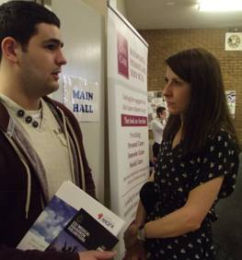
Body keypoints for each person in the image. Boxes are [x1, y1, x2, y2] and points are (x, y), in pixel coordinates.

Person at [0, 1, 115, 260]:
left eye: (61, 47)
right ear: (11, 50)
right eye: (50, 47)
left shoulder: (64, 118)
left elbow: (84, 183)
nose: (63, 59)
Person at [123, 48, 241, 260]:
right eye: (166, 80)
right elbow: (154, 181)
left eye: (177, 83)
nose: (166, 91)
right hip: (155, 236)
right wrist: (138, 224)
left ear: (201, 89)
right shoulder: (173, 126)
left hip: (184, 247)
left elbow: (191, 217)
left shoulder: (218, 139)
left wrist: (141, 233)